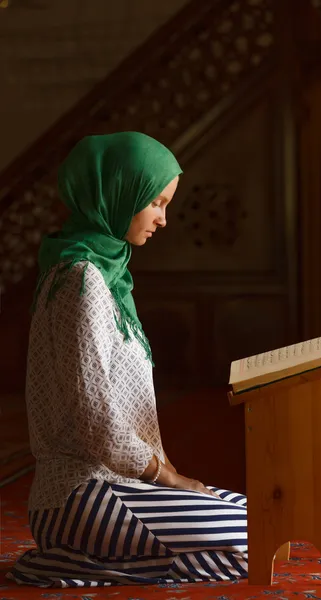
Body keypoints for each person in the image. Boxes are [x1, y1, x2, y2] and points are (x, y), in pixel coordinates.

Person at [7, 132, 248, 588]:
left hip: (122, 488)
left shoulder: (105, 276)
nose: (163, 219)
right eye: (156, 202)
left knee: (265, 523)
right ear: (120, 194)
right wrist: (170, 478)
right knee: (252, 537)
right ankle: (62, 562)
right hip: (78, 497)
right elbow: (94, 417)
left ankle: (88, 562)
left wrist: (167, 477)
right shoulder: (82, 281)